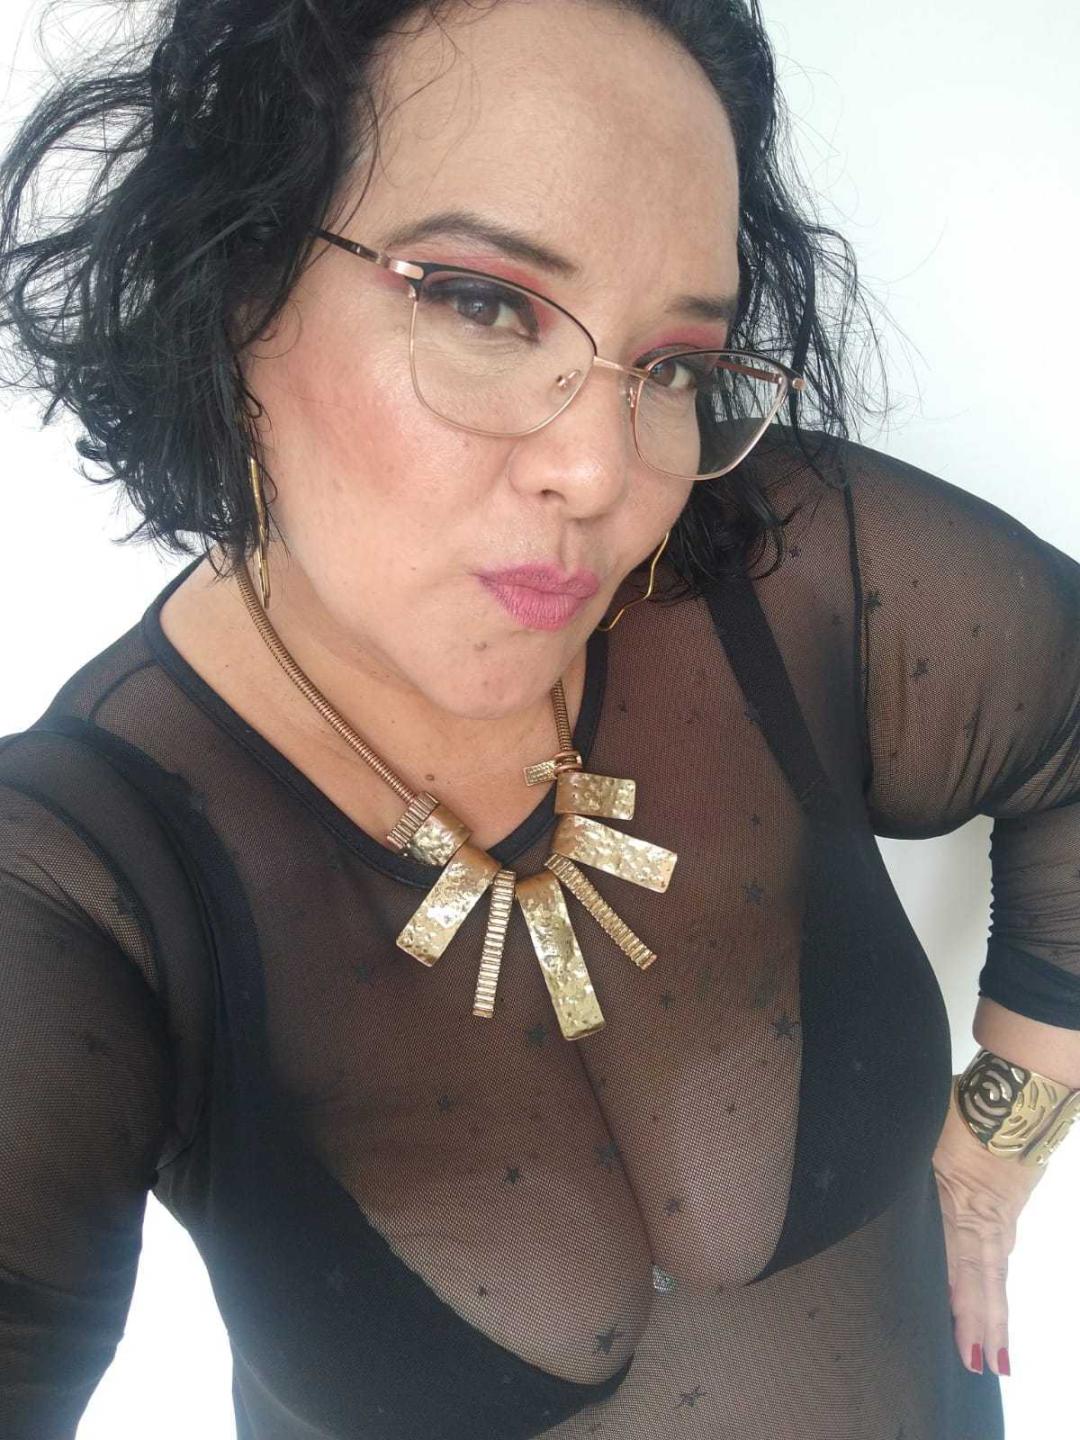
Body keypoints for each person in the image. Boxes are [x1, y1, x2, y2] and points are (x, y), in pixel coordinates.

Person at [1, 0, 1078, 1435]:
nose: (604, 468)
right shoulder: (75, 883)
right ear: (237, 275)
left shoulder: (777, 564)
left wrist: (1003, 1137)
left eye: (673, 365)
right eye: (484, 302)